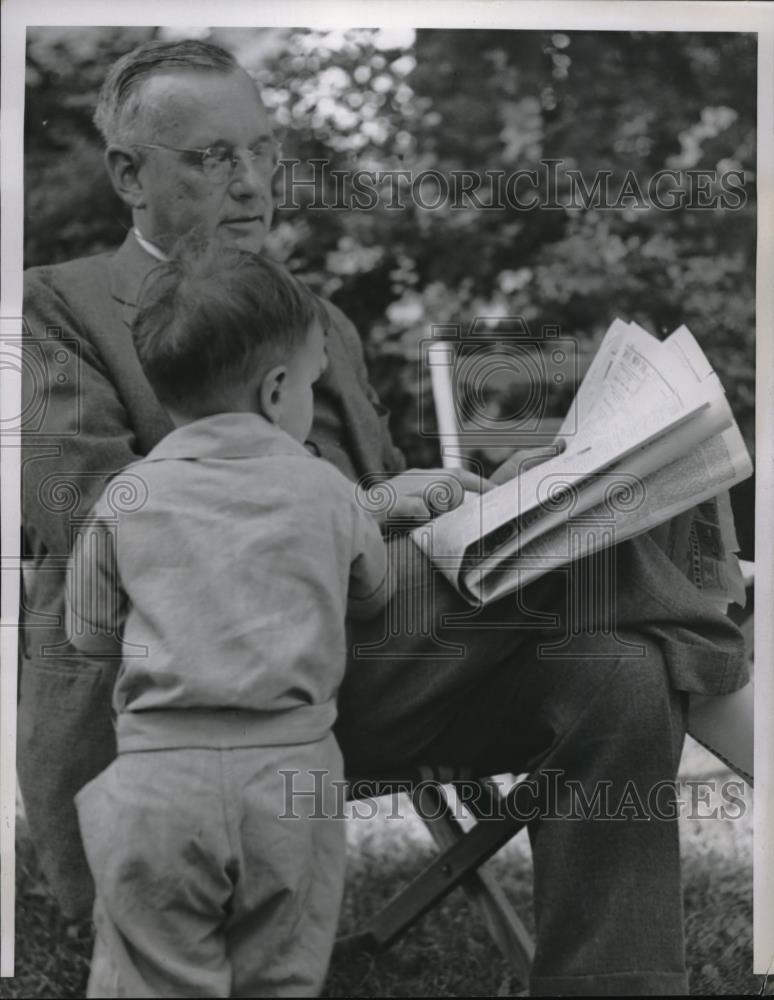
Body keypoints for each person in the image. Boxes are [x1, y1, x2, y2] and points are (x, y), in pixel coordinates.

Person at [20, 38, 748, 996]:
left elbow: (394, 503)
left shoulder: (318, 320)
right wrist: (364, 509)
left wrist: (493, 496)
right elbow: (88, 529)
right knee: (617, 568)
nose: (253, 185)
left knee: (618, 659)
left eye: (265, 151)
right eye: (213, 158)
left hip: (365, 672)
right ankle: (733, 661)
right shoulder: (55, 309)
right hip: (199, 701)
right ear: (128, 173)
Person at [66, 247, 389, 997]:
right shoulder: (327, 488)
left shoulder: (128, 496)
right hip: (291, 785)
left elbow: (85, 634)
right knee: (278, 977)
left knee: (150, 979)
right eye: (313, 383)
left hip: (158, 783)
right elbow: (373, 595)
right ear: (278, 391)